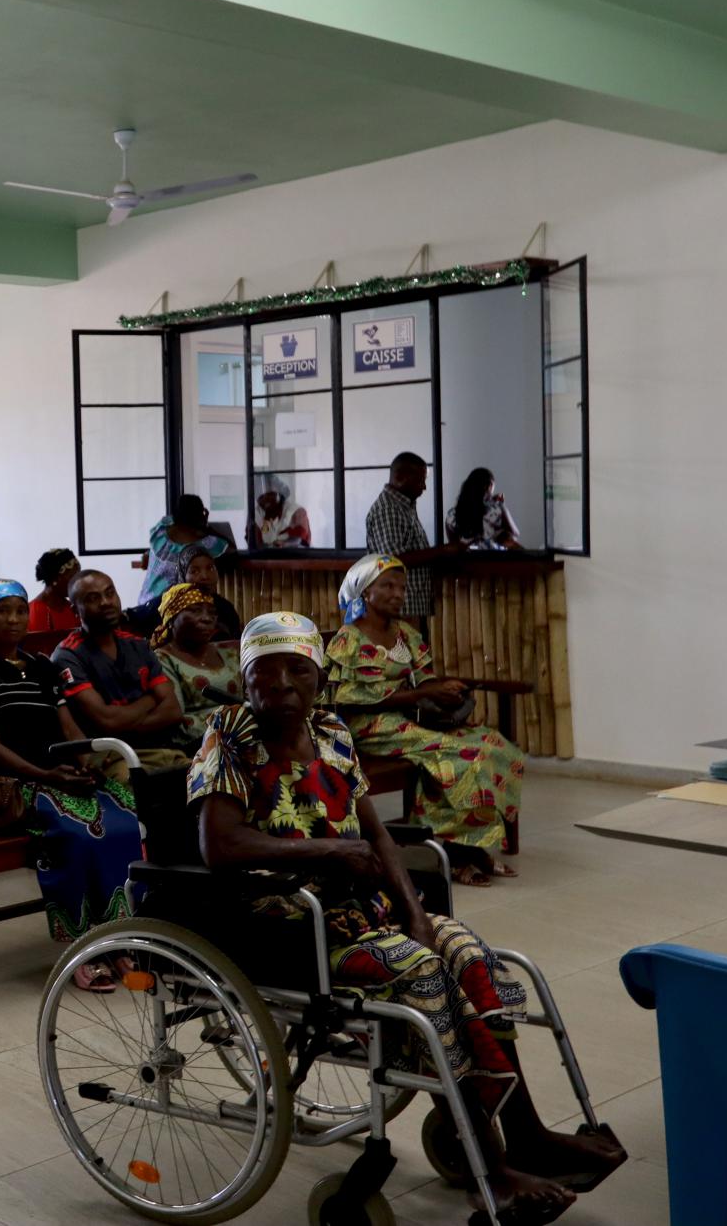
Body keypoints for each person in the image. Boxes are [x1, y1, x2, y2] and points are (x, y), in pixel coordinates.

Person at [188, 612, 622, 1222]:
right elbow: (221, 846)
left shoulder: (332, 730)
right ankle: (488, 1173)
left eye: (298, 669)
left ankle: (524, 1134)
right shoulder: (229, 736)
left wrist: (415, 912)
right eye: (266, 670)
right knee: (425, 977)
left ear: (318, 677)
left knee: (472, 959)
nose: (282, 683)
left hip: (360, 907)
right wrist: (329, 852)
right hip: (286, 921)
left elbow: (376, 835)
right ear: (245, 677)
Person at [0, 579, 140, 988]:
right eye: (3, 611)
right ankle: (82, 946)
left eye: (20, 610)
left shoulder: (42, 666)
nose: (14, 619)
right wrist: (46, 776)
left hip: (57, 777)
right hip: (15, 783)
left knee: (126, 820)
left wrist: (85, 764)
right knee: (80, 833)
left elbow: (68, 727)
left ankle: (119, 941)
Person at [326, 555, 524, 883]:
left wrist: (444, 690)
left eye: (402, 587)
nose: (398, 593)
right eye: (387, 586)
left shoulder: (405, 633)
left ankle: (462, 845)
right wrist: (418, 696)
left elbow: (424, 678)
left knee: (492, 744)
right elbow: (348, 699)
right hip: (369, 727)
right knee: (461, 756)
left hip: (410, 721)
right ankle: (460, 854)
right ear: (365, 592)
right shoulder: (349, 639)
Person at [52, 570, 185, 772]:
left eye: (110, 593)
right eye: (93, 598)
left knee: (206, 781)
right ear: (75, 610)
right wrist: (151, 699)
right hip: (112, 757)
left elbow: (173, 710)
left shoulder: (138, 645)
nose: (106, 602)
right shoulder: (68, 655)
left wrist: (123, 725)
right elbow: (108, 720)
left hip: (162, 750)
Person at [365, 451, 456, 620]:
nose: (424, 487)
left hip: (409, 606)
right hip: (399, 608)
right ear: (400, 477)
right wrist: (442, 550)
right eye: (420, 480)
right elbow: (393, 560)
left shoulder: (404, 507)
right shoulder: (388, 510)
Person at [152, 582, 243, 748]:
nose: (207, 618)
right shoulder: (162, 659)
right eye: (195, 611)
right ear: (171, 617)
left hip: (242, 735)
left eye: (212, 613)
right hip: (198, 747)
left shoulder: (229, 652)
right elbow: (177, 721)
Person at [138, 493, 230, 605]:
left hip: (145, 603)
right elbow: (230, 547)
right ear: (200, 515)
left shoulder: (161, 531)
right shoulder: (204, 544)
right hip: (172, 607)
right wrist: (207, 526)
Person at [127, 550, 241, 639]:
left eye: (210, 568)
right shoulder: (169, 604)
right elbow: (132, 618)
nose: (205, 576)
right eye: (194, 571)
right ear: (182, 574)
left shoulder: (225, 608)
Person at [446, 467, 524, 551]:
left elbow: (454, 546)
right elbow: (515, 533)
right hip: (494, 561)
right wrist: (502, 505)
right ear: (490, 485)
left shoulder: (451, 515)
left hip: (467, 562)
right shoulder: (496, 509)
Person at [29, 548, 80, 632]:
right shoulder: (34, 612)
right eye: (73, 576)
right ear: (55, 579)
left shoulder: (72, 608)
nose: (78, 580)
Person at [254, 474, 312, 548]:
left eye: (270, 494)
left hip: (294, 557)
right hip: (266, 558)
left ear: (280, 494)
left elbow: (298, 539)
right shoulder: (256, 515)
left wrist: (283, 544)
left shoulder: (296, 511)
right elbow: (255, 543)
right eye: (261, 497)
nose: (265, 499)